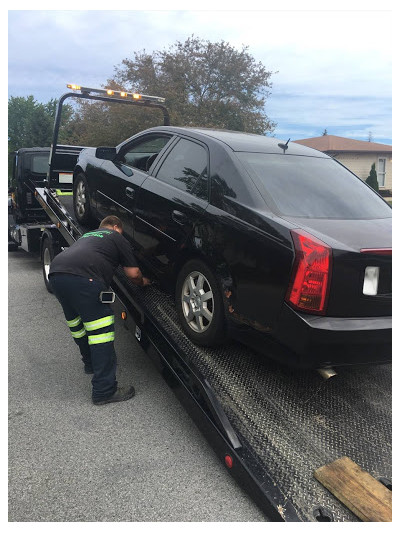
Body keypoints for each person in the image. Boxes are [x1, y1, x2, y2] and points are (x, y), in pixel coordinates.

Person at [49, 215, 151, 405]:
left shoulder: (88, 236)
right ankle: (104, 390)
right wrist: (144, 282)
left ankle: (90, 364)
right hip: (84, 278)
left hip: (57, 273)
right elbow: (133, 274)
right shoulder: (116, 236)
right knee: (101, 333)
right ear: (115, 226)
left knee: (76, 324)